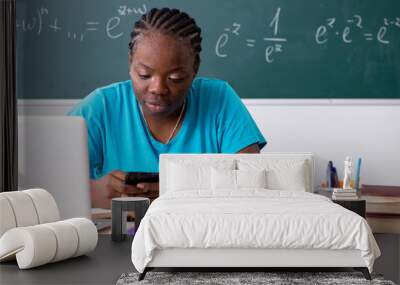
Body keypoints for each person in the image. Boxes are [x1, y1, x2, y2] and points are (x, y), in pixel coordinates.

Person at [68, 8, 267, 208]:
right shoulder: (101, 107)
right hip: (121, 234)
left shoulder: (219, 99)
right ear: (130, 63)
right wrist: (92, 192)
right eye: (144, 75)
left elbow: (250, 183)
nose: (158, 89)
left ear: (195, 68)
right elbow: (47, 184)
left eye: (175, 78)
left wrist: (177, 189)